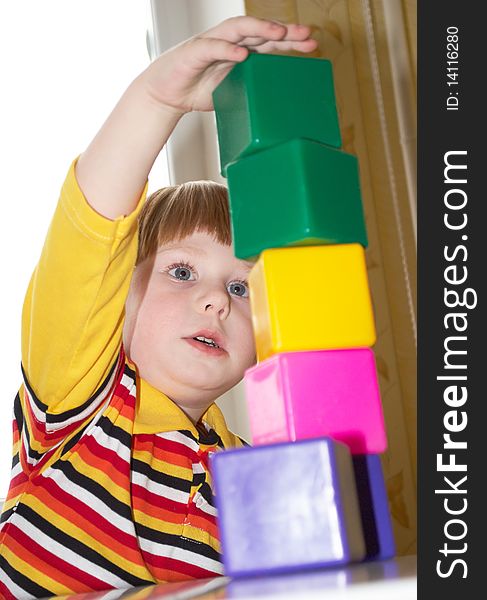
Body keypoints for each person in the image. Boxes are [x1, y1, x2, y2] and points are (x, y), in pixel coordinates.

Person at [0, 15, 317, 598]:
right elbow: (89, 236)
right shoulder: (80, 404)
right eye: (181, 271)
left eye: (241, 288)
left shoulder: (250, 472)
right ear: (117, 298)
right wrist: (155, 99)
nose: (216, 300)